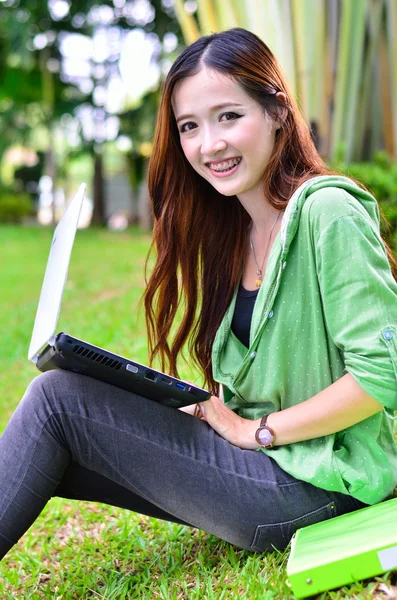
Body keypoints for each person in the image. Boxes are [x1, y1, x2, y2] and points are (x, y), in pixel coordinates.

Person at [1, 27, 397, 561]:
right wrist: (203, 412)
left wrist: (256, 431)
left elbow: (382, 376)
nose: (209, 144)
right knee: (60, 428)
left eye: (228, 116)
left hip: (322, 484)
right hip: (270, 468)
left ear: (277, 112)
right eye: (190, 126)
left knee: (55, 404)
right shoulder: (238, 232)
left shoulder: (329, 212)